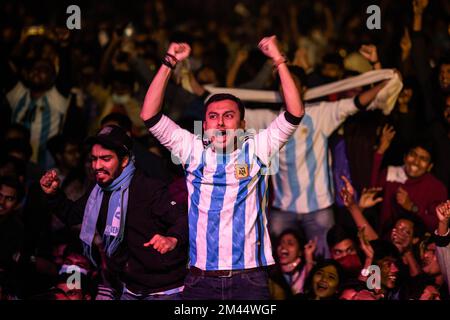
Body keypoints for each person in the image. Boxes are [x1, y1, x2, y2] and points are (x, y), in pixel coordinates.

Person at [140, 35, 304, 300]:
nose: (220, 123)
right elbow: (149, 115)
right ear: (204, 126)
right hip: (201, 277)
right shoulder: (191, 149)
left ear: (241, 125)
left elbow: (294, 112)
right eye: (213, 117)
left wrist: (278, 60)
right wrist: (169, 62)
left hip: (249, 278)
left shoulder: (257, 149)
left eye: (228, 116)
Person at [245, 65, 401, 259]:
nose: (286, 87)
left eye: (292, 82)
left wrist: (384, 83)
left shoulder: (320, 114)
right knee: (273, 260)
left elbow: (355, 103)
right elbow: (229, 111)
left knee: (324, 261)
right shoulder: (267, 118)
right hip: (282, 209)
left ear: (303, 89)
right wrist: (202, 91)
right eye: (282, 83)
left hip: (318, 209)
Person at [39, 125, 188, 300]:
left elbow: (182, 218)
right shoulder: (98, 191)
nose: (97, 166)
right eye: (94, 159)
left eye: (105, 159)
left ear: (124, 160)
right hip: (130, 287)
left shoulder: (148, 188)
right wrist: (53, 195)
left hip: (163, 290)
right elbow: (72, 215)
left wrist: (172, 238)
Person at [371, 125, 448, 235]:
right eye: (413, 154)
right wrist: (380, 152)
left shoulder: (437, 188)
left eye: (423, 159)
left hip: (418, 247)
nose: (416, 162)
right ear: (405, 157)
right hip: (386, 243)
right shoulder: (391, 173)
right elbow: (369, 194)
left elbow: (438, 225)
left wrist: (412, 207)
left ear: (430, 166)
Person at [268, 229, 316, 299]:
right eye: (280, 243)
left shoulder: (307, 269)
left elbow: (312, 286)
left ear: (300, 251)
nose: (283, 246)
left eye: (290, 243)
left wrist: (308, 256)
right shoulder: (271, 273)